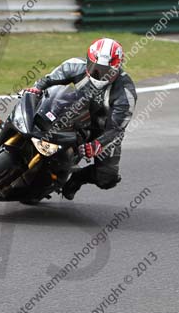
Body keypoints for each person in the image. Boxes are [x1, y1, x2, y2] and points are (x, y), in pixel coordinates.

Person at [24, 37, 137, 200]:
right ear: (87, 61)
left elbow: (116, 129)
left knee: (107, 177)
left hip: (102, 130)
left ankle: (78, 178)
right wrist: (36, 88)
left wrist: (97, 144)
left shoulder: (125, 93)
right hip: (70, 111)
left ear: (117, 69)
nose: (99, 74)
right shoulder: (74, 65)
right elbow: (48, 80)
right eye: (95, 67)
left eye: (106, 71)